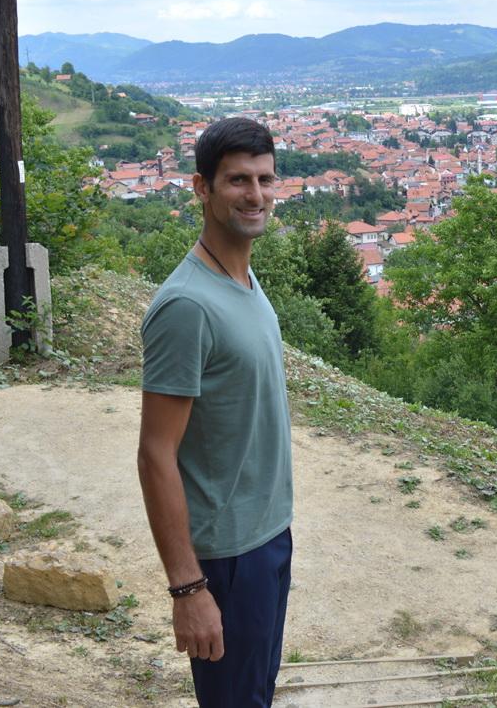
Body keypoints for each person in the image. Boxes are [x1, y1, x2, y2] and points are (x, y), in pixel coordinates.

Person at [137, 117, 294, 708]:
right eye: (237, 181)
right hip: (227, 558)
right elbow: (155, 456)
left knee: (254, 694)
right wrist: (189, 589)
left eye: (264, 179)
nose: (255, 195)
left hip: (268, 534)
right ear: (201, 188)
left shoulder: (243, 276)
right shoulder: (187, 306)